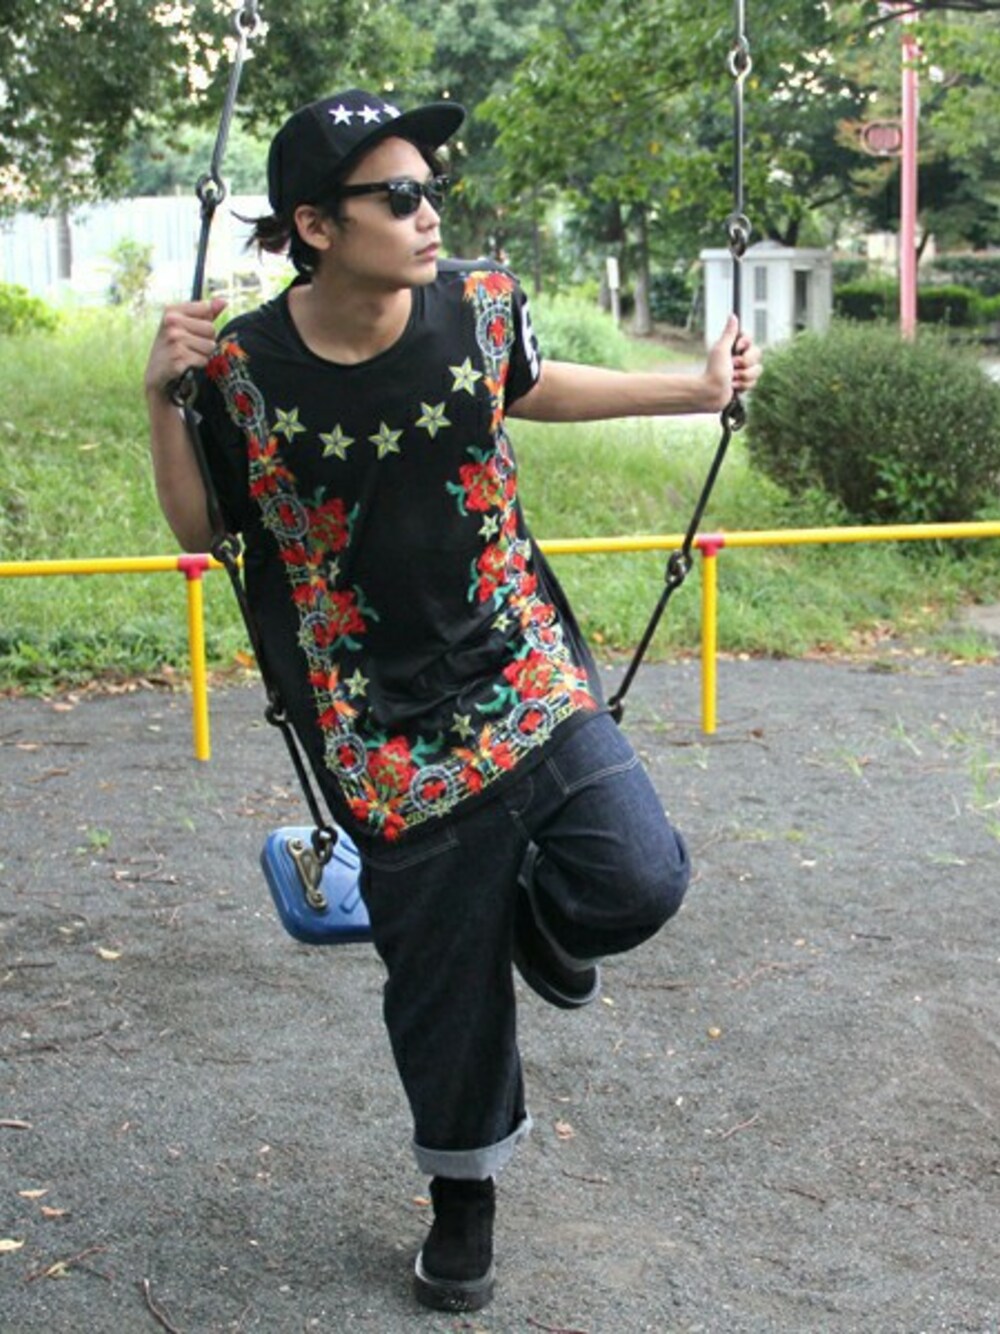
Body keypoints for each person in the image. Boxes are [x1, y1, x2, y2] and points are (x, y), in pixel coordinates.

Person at [145, 88, 761, 1314]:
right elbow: (202, 527)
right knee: (443, 984)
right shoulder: (243, 371)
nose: (429, 214)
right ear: (316, 225)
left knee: (638, 877)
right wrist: (161, 399)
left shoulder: (478, 306)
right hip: (371, 716)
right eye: (399, 195)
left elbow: (528, 386)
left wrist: (691, 390)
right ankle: (463, 1200)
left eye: (431, 189)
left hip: (519, 662)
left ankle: (546, 920)